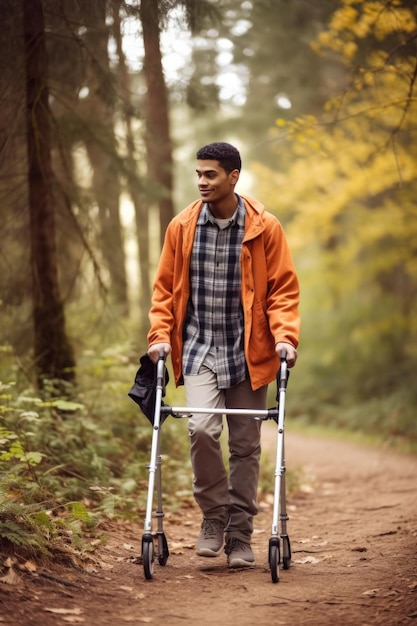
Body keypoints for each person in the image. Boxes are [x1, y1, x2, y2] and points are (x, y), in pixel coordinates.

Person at [147, 142, 300, 569]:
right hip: (198, 347)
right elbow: (163, 292)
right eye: (198, 174)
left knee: (247, 444)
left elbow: (283, 291)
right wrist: (159, 334)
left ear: (233, 177)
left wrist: (286, 337)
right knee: (201, 429)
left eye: (210, 175)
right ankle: (214, 518)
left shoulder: (265, 228)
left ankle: (239, 535)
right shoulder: (181, 227)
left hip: (248, 351)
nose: (201, 182)